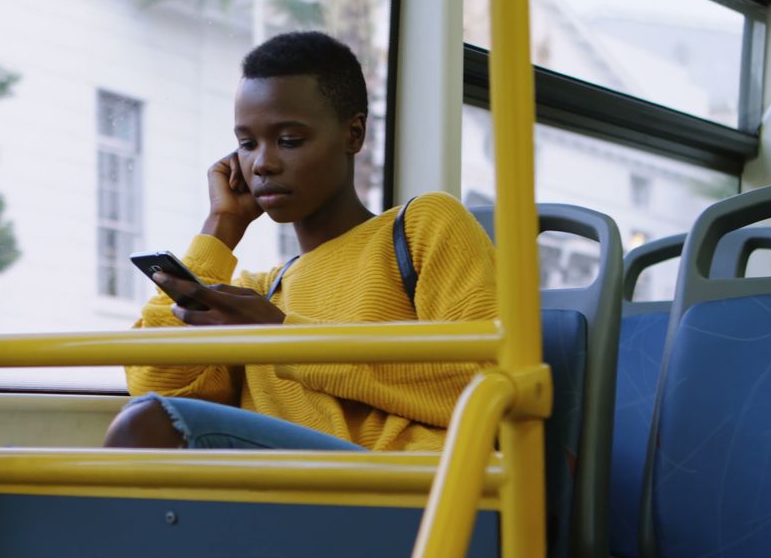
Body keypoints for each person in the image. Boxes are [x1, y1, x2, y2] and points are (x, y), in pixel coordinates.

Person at [104, 31, 497, 452]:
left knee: (144, 426)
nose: (263, 164)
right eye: (247, 144)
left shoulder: (422, 226)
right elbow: (156, 383)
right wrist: (221, 226)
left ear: (353, 135)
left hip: (412, 489)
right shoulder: (263, 292)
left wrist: (280, 335)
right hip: (289, 493)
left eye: (289, 140)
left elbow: (486, 386)